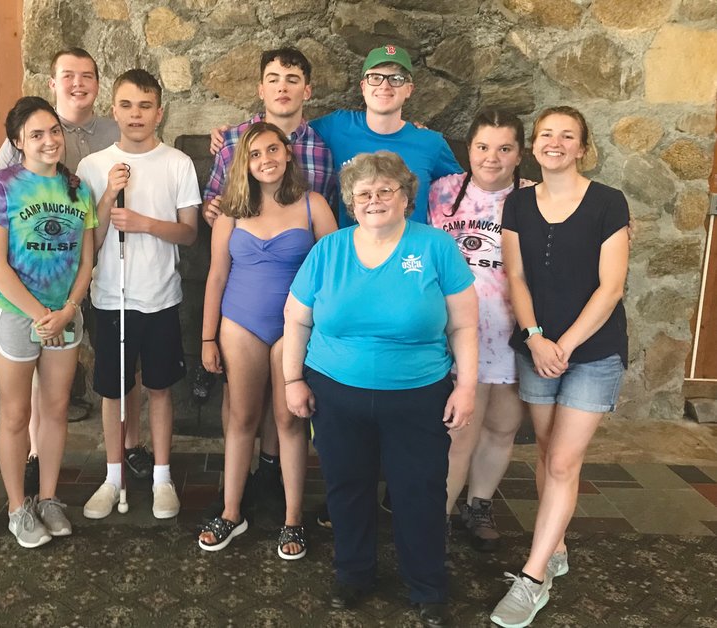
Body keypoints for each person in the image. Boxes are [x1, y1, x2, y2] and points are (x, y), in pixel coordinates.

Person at [284, 151, 478, 626]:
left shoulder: (436, 248)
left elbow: (466, 327)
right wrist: (292, 379)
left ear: (406, 197)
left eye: (385, 190)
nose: (374, 200)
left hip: (418, 393)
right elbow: (296, 319)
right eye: (364, 193)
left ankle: (428, 586)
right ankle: (353, 574)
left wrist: (467, 386)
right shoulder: (328, 251)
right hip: (335, 391)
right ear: (350, 201)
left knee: (421, 491)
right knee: (346, 487)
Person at [490, 106, 629, 628]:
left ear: (581, 147)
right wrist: (535, 338)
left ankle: (533, 578)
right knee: (547, 453)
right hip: (536, 347)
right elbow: (516, 278)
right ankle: (558, 545)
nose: (555, 142)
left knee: (564, 463)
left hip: (591, 352)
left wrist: (563, 345)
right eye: (546, 134)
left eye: (566, 136)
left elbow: (610, 287)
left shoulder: (608, 203)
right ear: (533, 146)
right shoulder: (518, 204)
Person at [0, 48, 143, 496]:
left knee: (119, 364)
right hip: (34, 290)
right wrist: (39, 306)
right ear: (53, 81)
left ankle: (128, 447)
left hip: (99, 274)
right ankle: (36, 458)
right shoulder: (23, 137)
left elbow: (93, 234)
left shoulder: (115, 131)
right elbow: (3, 216)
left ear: (98, 83)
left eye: (88, 75)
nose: (78, 83)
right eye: (68, 75)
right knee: (39, 387)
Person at [202, 47, 337, 519]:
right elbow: (216, 268)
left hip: (295, 323)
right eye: (273, 78)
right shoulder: (232, 150)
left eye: (292, 78)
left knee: (288, 416)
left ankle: (291, 515)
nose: (264, 157)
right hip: (241, 319)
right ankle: (232, 508)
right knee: (241, 413)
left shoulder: (319, 167)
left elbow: (335, 264)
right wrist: (207, 336)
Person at [76, 69, 200, 521]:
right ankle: (113, 477)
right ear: (114, 110)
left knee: (160, 389)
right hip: (112, 297)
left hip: (160, 296)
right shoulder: (92, 166)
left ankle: (163, 476)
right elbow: (92, 238)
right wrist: (109, 195)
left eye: (145, 106)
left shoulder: (177, 164)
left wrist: (146, 223)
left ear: (159, 112)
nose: (136, 115)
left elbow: (188, 234)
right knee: (114, 392)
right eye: (127, 105)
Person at [0, 96, 96, 548]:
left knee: (56, 409)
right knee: (15, 413)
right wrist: (39, 314)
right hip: (14, 316)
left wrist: (69, 308)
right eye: (36, 135)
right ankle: (16, 507)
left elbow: (88, 259)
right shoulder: (2, 187)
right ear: (18, 143)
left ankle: (47, 498)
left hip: (64, 314)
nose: (49, 141)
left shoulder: (77, 188)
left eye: (54, 131)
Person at [429, 108, 530, 552]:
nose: (492, 157)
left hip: (510, 328)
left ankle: (480, 504)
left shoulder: (534, 197)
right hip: (452, 332)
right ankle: (438, 520)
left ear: (519, 153)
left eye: (504, 148)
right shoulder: (442, 192)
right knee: (458, 433)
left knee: (503, 425)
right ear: (467, 150)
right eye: (483, 147)